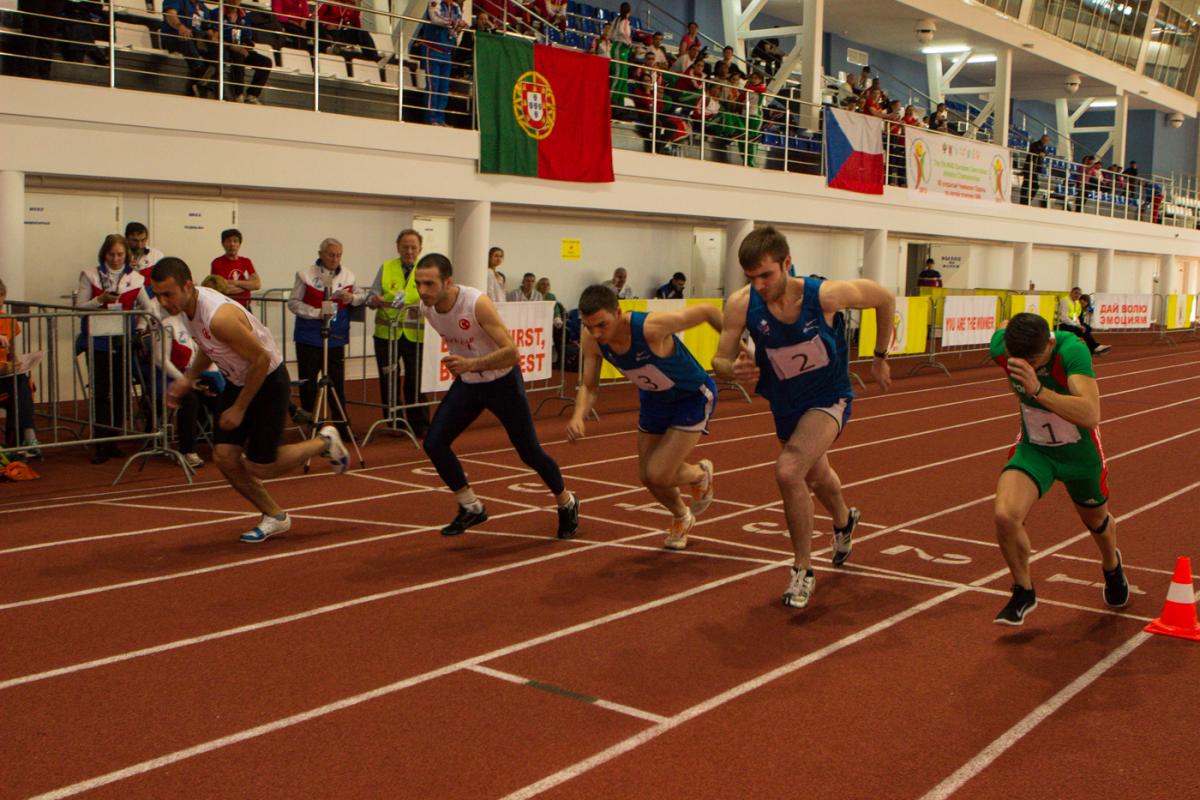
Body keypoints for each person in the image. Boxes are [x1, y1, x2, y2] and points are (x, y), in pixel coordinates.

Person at [713, 226, 894, 610]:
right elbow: (720, 358)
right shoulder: (741, 305)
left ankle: (802, 569)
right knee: (816, 474)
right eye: (752, 278)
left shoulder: (823, 295)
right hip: (785, 402)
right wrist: (733, 370)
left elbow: (884, 297)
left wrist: (879, 355)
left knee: (789, 470)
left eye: (767, 275)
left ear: (787, 264)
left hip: (829, 397)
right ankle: (845, 520)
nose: (759, 285)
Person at [151, 258, 350, 541]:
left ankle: (325, 442)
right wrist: (185, 380)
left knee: (261, 466)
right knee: (224, 456)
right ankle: (275, 516)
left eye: (167, 294)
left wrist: (240, 407)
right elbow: (208, 348)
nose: (162, 301)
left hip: (267, 380)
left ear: (186, 286)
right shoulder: (186, 307)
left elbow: (261, 359)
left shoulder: (219, 317)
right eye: (157, 295)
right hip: (239, 378)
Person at [414, 253, 579, 537]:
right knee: (434, 443)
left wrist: (472, 364)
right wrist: (467, 367)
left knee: (529, 452)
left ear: (448, 282)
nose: (422, 291)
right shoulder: (427, 309)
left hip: (502, 383)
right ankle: (471, 507)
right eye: (418, 283)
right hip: (469, 383)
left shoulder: (475, 303)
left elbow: (512, 353)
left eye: (429, 284)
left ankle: (566, 501)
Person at [989, 312, 1128, 625]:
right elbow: (1000, 329)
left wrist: (1038, 389)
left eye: (1036, 362)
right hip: (1036, 449)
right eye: (1020, 362)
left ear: (1050, 342)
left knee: (1097, 522)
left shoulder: (1071, 351)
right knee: (1005, 514)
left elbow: (1091, 413)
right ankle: (1023, 590)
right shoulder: (1003, 348)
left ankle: (1111, 564)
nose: (1029, 367)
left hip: (1079, 454)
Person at [568, 285, 720, 549]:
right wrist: (578, 415)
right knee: (647, 476)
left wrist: (738, 348)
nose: (596, 333)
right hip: (654, 399)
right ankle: (682, 517)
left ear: (619, 312)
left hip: (690, 397)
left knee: (659, 473)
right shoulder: (592, 339)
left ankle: (699, 474)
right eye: (589, 325)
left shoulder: (650, 327)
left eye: (602, 325)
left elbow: (708, 311)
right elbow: (590, 386)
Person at [76, 234, 154, 464]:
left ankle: (114, 439)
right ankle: (100, 443)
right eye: (112, 254)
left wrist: (140, 328)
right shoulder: (89, 275)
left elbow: (148, 308)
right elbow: (79, 308)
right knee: (101, 393)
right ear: (104, 254)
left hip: (123, 341)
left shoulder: (136, 278)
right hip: (97, 341)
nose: (116, 258)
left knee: (121, 392)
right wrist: (99, 300)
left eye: (120, 254)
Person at [287, 238, 368, 430]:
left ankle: (342, 426)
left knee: (336, 385)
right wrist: (316, 313)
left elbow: (362, 296)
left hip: (336, 338)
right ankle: (312, 425)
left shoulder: (348, 275)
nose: (335, 258)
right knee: (309, 385)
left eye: (338, 255)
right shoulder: (305, 274)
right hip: (309, 337)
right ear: (321, 254)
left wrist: (352, 298)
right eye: (331, 254)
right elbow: (293, 303)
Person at [368, 229, 428, 436]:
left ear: (420, 249)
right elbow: (372, 295)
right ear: (398, 247)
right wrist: (374, 300)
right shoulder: (386, 268)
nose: (409, 251)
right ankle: (393, 420)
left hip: (415, 335)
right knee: (389, 378)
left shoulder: (427, 269)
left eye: (413, 247)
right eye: (405, 247)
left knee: (416, 379)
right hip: (386, 334)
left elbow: (436, 296)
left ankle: (419, 423)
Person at [0, 278, 40, 457]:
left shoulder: (8, 321)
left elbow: (12, 355)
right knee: (19, 385)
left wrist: (17, 364)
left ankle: (20, 441)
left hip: (5, 377)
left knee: (21, 382)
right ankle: (27, 436)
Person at [208, 0, 272, 103]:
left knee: (265, 62)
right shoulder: (216, 13)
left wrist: (245, 46)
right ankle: (239, 94)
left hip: (241, 48)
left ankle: (252, 95)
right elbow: (214, 38)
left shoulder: (245, 16)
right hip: (226, 48)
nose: (234, 2)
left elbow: (247, 37)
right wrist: (233, 46)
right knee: (238, 56)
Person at [417, 0, 468, 126]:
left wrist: (460, 25)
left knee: (444, 88)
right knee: (433, 86)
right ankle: (431, 118)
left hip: (447, 51)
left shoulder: (456, 7)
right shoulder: (435, 2)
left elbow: (456, 27)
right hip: (432, 49)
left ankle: (440, 118)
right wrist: (454, 22)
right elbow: (436, 19)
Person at [161, 0, 218, 98]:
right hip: (174, 36)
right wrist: (180, 27)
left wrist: (213, 35)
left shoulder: (201, 6)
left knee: (219, 51)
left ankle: (202, 81)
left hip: (196, 39)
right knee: (186, 38)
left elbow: (208, 26)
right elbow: (170, 15)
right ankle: (201, 75)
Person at [209, 228, 261, 307]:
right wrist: (247, 285)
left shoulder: (246, 261)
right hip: (227, 307)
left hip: (246, 307)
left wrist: (234, 282)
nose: (232, 244)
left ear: (239, 244)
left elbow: (257, 285)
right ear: (223, 244)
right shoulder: (217, 263)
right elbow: (223, 289)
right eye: (229, 241)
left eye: (235, 241)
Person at [1057, 286, 1109, 355]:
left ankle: (1094, 348)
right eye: (1076, 293)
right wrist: (1077, 325)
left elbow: (1075, 316)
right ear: (1071, 293)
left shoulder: (1076, 303)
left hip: (1070, 323)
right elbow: (1063, 317)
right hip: (1062, 324)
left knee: (1085, 328)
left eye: (1079, 294)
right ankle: (1094, 348)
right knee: (1081, 330)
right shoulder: (1065, 301)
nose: (1077, 295)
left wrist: (1079, 325)